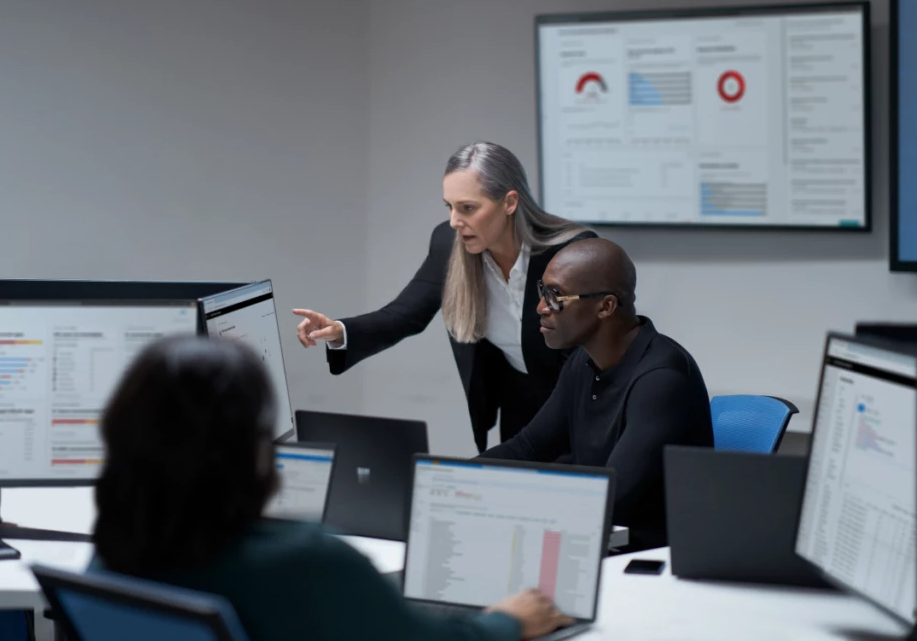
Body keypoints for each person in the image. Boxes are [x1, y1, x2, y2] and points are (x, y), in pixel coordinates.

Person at [90, 335, 573, 641]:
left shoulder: (114, 551)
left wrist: (371, 590)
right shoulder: (305, 563)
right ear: (247, 450)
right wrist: (510, 620)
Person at [293, 142, 596, 451]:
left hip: (586, 401)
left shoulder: (574, 254)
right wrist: (339, 331)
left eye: (467, 208)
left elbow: (592, 357)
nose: (454, 221)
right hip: (519, 398)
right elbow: (404, 315)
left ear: (509, 203)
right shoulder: (450, 244)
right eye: (449, 207)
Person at [481, 238, 713, 551]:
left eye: (556, 295)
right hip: (599, 537)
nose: (541, 307)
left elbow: (612, 498)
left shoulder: (662, 379)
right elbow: (529, 447)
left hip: (647, 555)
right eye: (542, 291)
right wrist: (452, 483)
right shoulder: (584, 361)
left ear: (605, 306)